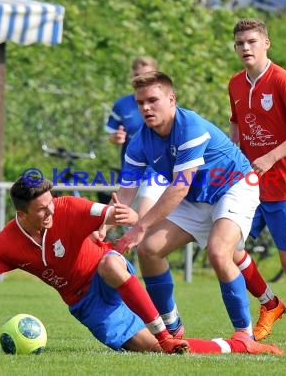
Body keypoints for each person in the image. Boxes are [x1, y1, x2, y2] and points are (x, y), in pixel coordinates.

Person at [0, 176, 283, 356]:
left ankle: (165, 328)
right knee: (162, 355)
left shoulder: (68, 207)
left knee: (110, 261)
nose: (50, 210)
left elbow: (114, 213)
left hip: (107, 273)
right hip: (86, 305)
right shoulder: (6, 244)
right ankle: (239, 347)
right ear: (22, 213)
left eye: (51, 202)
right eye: (41, 208)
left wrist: (118, 216)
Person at [113, 71, 264, 342]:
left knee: (219, 252)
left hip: (234, 187)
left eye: (153, 100)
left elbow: (179, 186)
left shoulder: (190, 126)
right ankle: (171, 327)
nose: (146, 108)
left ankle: (244, 334)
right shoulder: (139, 142)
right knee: (149, 250)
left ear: (172, 99)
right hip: (196, 198)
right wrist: (101, 225)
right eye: (140, 103)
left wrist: (141, 226)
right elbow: (124, 196)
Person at [228, 18, 286, 345]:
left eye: (252, 41)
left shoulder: (283, 81)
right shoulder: (236, 84)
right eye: (240, 43)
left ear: (266, 43)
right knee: (227, 246)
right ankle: (270, 304)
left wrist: (270, 157)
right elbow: (238, 129)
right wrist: (232, 164)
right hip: (251, 185)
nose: (245, 48)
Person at [105, 56, 168, 216]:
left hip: (157, 170)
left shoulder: (164, 103)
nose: (146, 108)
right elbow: (112, 136)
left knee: (145, 217)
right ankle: (97, 237)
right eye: (138, 75)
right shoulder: (122, 105)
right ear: (132, 77)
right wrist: (116, 138)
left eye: (148, 75)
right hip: (131, 169)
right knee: (121, 216)